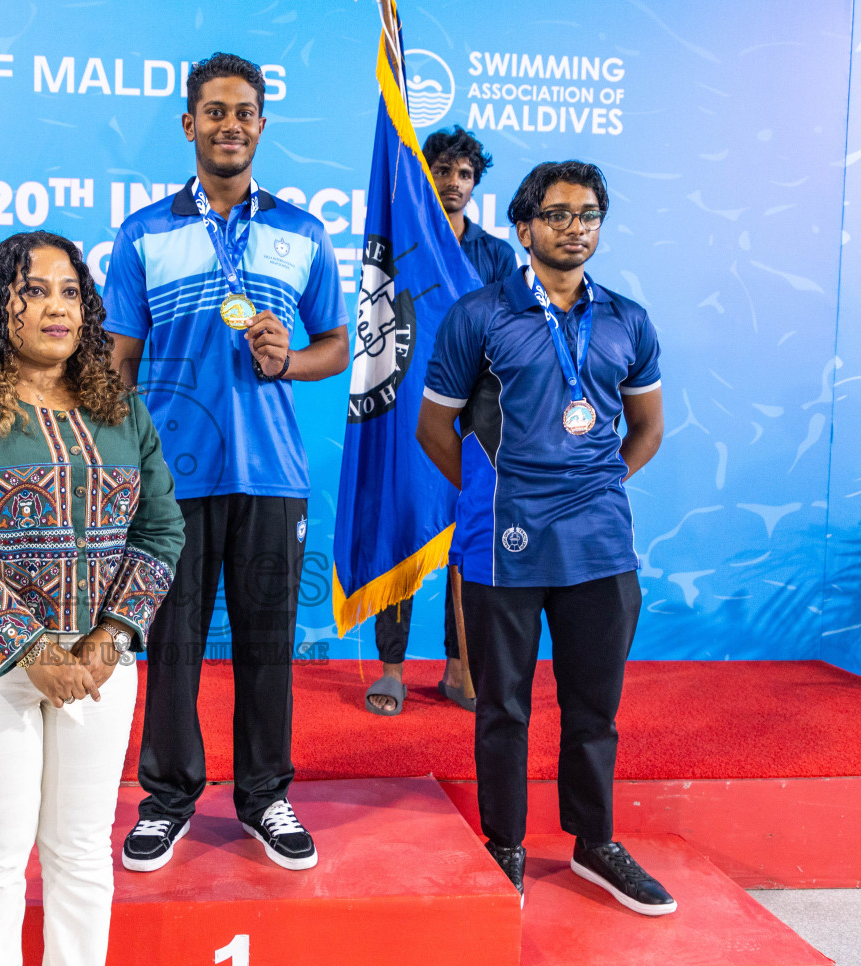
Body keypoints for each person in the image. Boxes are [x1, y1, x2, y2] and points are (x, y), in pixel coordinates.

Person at [0, 231, 184, 966]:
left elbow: (162, 532)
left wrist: (109, 636)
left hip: (100, 669)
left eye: (68, 291)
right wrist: (29, 648)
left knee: (81, 856)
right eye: (32, 290)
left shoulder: (120, 408)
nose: (54, 306)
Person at [104, 52, 349, 873]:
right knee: (170, 644)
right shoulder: (144, 233)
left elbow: (337, 347)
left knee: (267, 643)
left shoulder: (302, 233)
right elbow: (116, 364)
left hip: (273, 476)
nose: (230, 124)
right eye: (214, 111)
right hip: (171, 480)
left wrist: (288, 363)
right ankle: (167, 798)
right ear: (189, 124)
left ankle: (264, 795)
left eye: (244, 111)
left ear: (261, 125)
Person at [418, 161, 673, 915]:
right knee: (504, 707)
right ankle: (505, 843)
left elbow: (648, 426)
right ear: (524, 228)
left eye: (588, 213)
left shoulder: (628, 319)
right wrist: (493, 493)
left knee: (596, 708)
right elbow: (438, 427)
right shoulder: (479, 315)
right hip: (506, 541)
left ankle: (595, 843)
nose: (574, 227)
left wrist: (597, 488)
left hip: (601, 546)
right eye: (557, 214)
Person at [365, 125, 519, 718]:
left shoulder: (496, 255)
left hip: (478, 409)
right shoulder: (400, 245)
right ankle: (392, 669)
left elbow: (508, 333)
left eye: (464, 175)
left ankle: (460, 668)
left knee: (469, 534)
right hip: (409, 404)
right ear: (424, 177)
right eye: (443, 172)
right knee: (403, 528)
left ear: (475, 184)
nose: (453, 183)